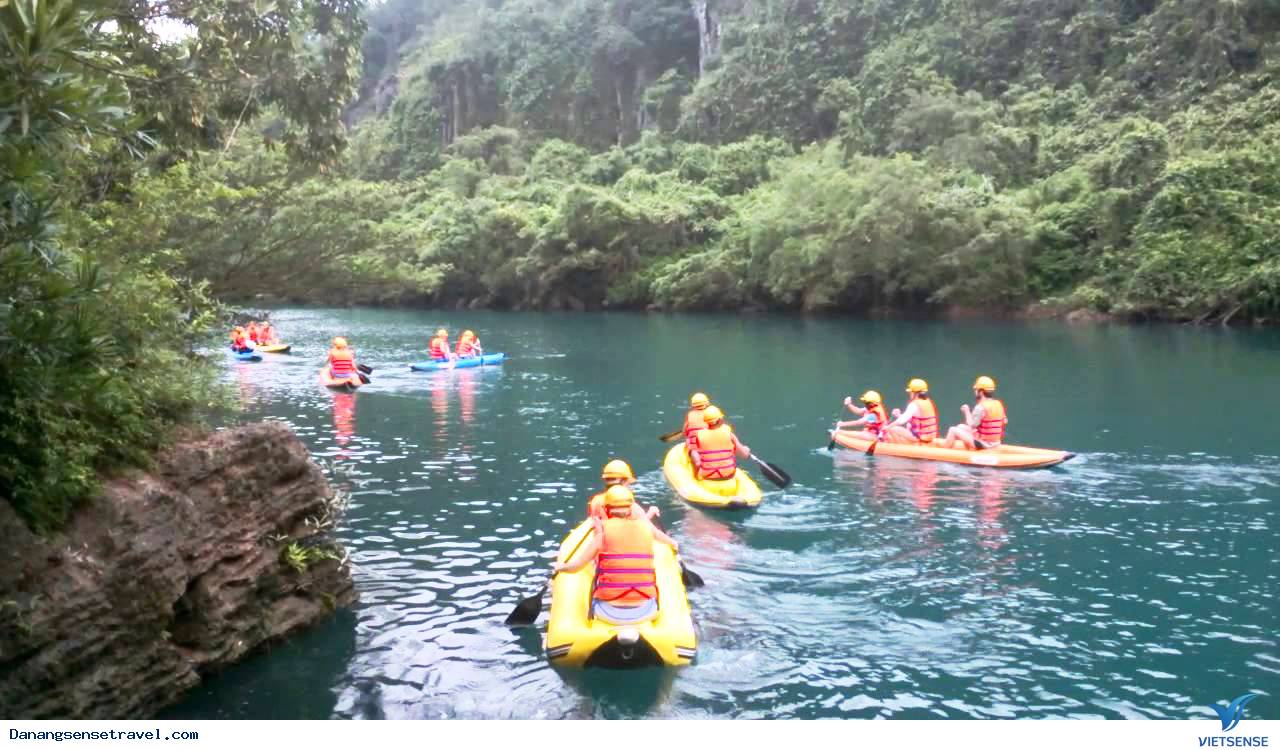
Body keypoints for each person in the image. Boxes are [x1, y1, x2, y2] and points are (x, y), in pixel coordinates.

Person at [552, 486, 678, 612]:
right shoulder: (646, 527)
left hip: (609, 606)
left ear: (606, 509)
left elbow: (576, 567)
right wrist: (673, 543)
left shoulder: (601, 531)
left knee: (594, 575)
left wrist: (561, 567)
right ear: (631, 509)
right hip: (645, 606)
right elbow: (659, 535)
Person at [943, 376, 1008, 450]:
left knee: (953, 430)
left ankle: (941, 456)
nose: (975, 392)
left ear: (981, 391)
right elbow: (1005, 421)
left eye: (976, 390)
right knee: (961, 426)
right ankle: (969, 452)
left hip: (984, 444)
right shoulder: (998, 404)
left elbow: (971, 425)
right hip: (995, 443)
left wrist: (966, 411)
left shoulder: (981, 407)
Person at [690, 405, 751, 480]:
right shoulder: (729, 434)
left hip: (708, 476)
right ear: (719, 420)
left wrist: (695, 475)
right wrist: (747, 450)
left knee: (694, 453)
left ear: (706, 421)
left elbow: (697, 460)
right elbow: (744, 455)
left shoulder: (698, 435)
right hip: (729, 475)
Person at [587, 460, 660, 521]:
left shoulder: (596, 501)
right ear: (623, 481)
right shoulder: (628, 503)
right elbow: (642, 525)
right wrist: (651, 512)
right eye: (628, 483)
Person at [884, 378, 939, 444]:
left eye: (911, 392)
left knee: (892, 428)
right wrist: (898, 415)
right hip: (930, 437)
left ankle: (899, 448)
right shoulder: (928, 402)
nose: (910, 394)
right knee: (908, 425)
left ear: (915, 393)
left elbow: (901, 421)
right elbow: (913, 419)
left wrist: (887, 427)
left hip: (920, 437)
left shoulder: (914, 404)